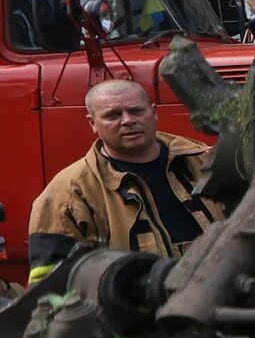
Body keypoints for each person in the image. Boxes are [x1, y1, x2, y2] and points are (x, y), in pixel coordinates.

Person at [28, 77, 224, 280]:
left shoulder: (205, 162)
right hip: (136, 310)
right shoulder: (67, 194)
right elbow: (49, 288)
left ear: (154, 113)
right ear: (92, 123)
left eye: (136, 111)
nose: (128, 120)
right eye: (113, 115)